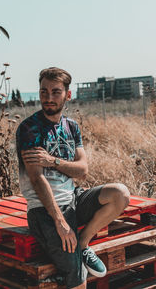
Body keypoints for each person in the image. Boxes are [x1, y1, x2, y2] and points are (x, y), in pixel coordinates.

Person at [16, 67, 130, 289]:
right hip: (44, 210)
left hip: (73, 198)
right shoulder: (29, 128)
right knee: (77, 276)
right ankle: (76, 255)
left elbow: (83, 170)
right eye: (44, 91)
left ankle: (83, 242)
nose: (48, 98)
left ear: (68, 95)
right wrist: (60, 222)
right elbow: (38, 180)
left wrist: (53, 161)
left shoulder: (72, 127)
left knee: (120, 194)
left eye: (56, 92)